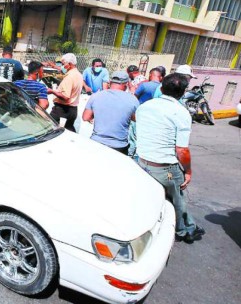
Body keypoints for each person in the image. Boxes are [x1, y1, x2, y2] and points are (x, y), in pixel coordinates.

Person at [136, 73, 205, 243]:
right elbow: (181, 150)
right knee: (178, 198)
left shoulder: (144, 107)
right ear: (183, 92)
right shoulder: (181, 113)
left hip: (143, 162)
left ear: (161, 88)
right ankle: (184, 230)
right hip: (165, 167)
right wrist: (188, 171)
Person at [83, 71, 139, 155]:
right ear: (126, 84)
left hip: (96, 142)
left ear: (110, 82)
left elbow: (85, 117)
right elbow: (136, 119)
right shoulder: (132, 99)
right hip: (119, 147)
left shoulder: (96, 96)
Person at [48, 53, 83, 131]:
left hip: (63, 110)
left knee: (51, 130)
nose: (62, 66)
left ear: (69, 64)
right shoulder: (78, 75)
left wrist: (52, 91)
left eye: (63, 64)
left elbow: (65, 97)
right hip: (72, 110)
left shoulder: (70, 77)